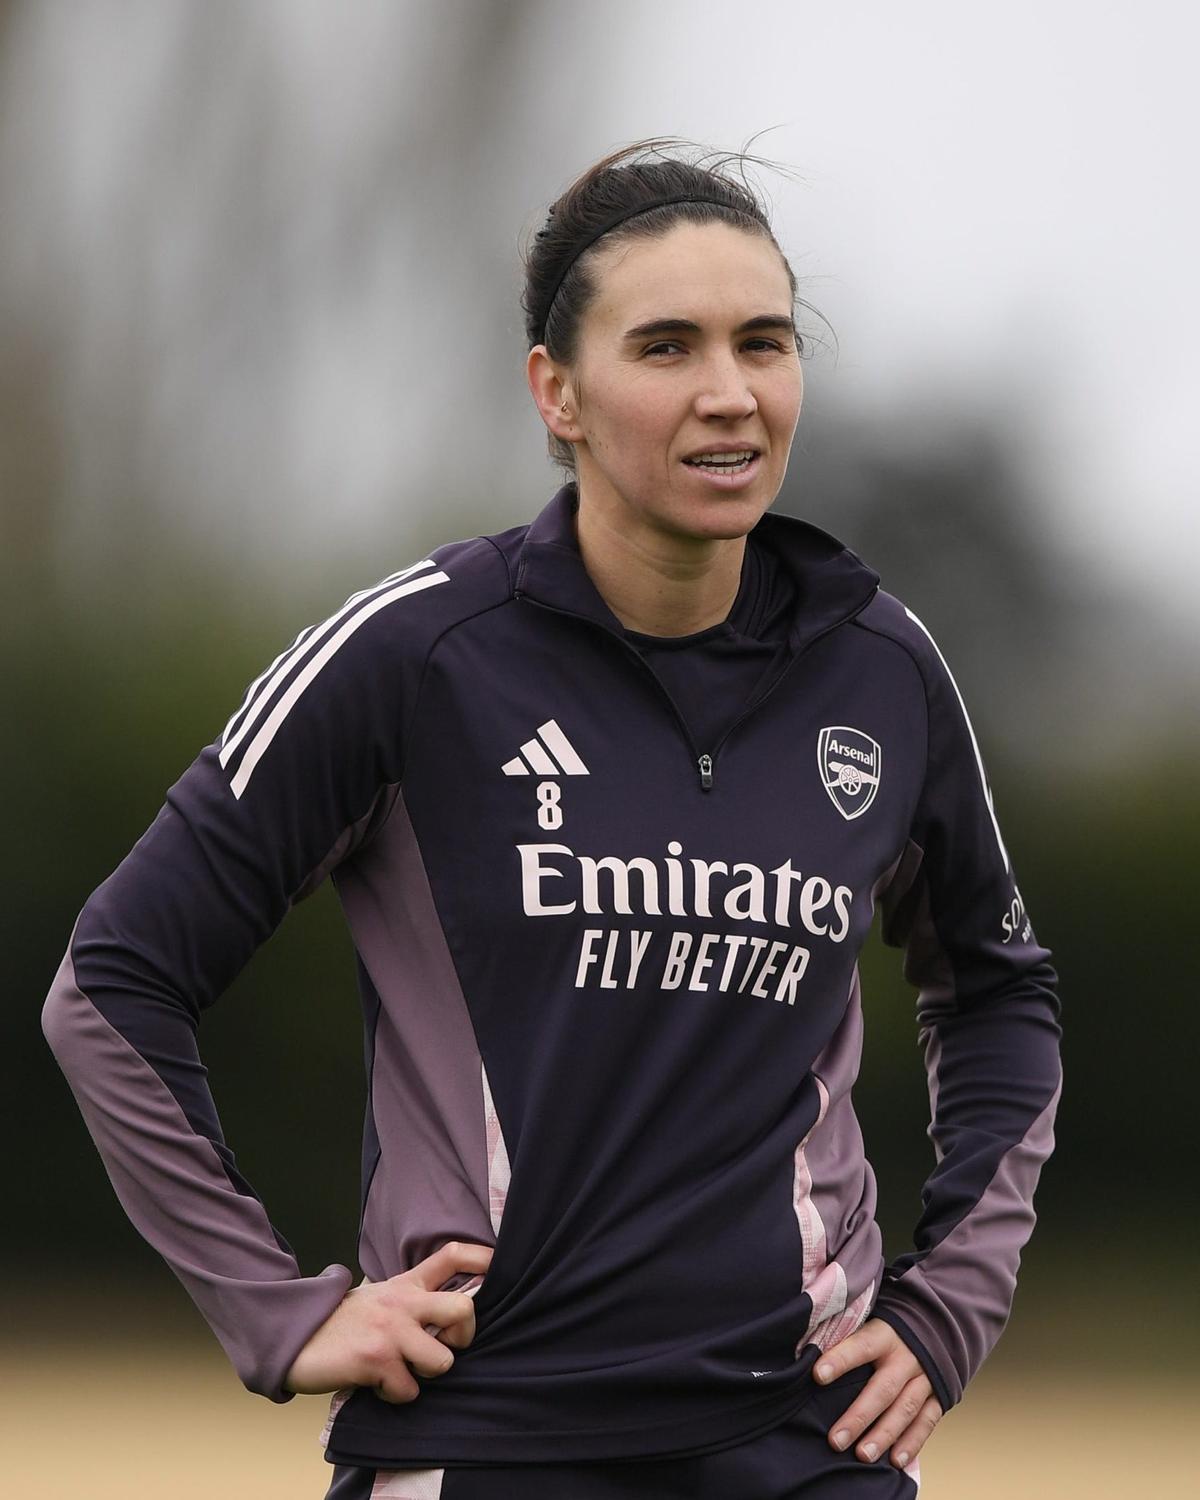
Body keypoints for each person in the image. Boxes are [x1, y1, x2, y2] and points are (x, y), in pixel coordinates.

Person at [42, 139, 1062, 1499]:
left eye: (766, 343)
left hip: (805, 1445)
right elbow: (113, 982)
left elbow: (999, 993)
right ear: (556, 393)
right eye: (665, 347)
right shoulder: (415, 659)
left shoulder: (883, 670)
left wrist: (946, 1311)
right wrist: (278, 1312)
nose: (729, 394)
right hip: (487, 1443)